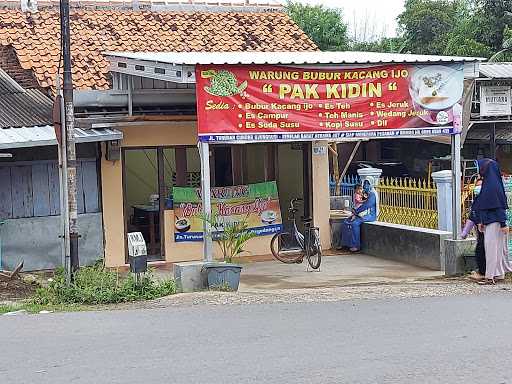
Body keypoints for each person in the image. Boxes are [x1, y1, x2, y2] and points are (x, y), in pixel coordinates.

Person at [472, 159, 512, 285]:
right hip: (492, 222)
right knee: (497, 249)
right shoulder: (491, 184)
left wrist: (503, 223)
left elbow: (498, 206)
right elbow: (485, 206)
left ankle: (489, 277)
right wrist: (481, 221)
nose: (479, 171)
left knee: (491, 250)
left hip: (495, 222)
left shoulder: (492, 186)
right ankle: (499, 274)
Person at [340, 177, 378, 252]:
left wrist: (356, 212)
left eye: (368, 183)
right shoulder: (365, 193)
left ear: (371, 184)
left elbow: (367, 205)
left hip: (370, 215)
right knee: (346, 222)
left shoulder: (373, 194)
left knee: (354, 223)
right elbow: (360, 202)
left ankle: (355, 245)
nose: (365, 186)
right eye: (365, 183)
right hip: (361, 213)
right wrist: (355, 212)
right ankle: (345, 243)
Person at [461, 179, 485, 279]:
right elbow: (472, 217)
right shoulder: (476, 201)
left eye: (480, 186)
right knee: (480, 250)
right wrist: (464, 233)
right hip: (480, 231)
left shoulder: (488, 200)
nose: (478, 188)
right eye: (477, 186)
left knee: (481, 250)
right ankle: (482, 271)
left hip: (486, 228)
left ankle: (483, 272)